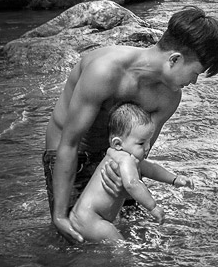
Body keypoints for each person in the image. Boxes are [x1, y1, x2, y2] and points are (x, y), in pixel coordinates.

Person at [44, 7, 218, 242]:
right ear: (174, 59)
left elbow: (141, 151)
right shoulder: (105, 71)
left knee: (131, 230)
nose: (193, 81)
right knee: (74, 238)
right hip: (69, 152)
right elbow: (69, 143)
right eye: (195, 73)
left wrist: (122, 168)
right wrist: (59, 216)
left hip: (118, 153)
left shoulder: (169, 97)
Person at [70, 103, 194, 242]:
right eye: (141, 143)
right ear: (117, 144)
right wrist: (152, 207)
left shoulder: (121, 156)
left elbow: (151, 169)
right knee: (121, 249)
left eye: (148, 141)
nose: (147, 147)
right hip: (92, 220)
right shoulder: (124, 159)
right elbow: (132, 183)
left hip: (83, 216)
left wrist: (174, 179)